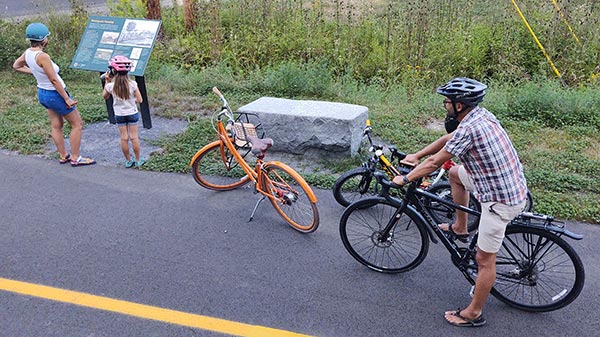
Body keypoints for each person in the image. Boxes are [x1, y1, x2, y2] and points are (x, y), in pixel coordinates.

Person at [393, 77, 528, 327]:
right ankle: (461, 227)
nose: (444, 105)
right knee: (455, 173)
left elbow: (434, 164)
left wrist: (405, 178)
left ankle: (473, 313)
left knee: (484, 261)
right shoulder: (480, 116)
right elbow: (447, 142)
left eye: (447, 101)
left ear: (459, 105)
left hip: (500, 200)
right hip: (501, 183)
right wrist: (417, 155)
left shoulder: (470, 128)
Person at [13, 22, 95, 166]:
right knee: (77, 124)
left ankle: (64, 156)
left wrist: (35, 71)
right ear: (43, 39)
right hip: (55, 94)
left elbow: (16, 66)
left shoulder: (28, 53)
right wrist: (66, 98)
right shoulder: (43, 56)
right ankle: (76, 158)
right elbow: (54, 80)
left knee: (56, 125)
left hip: (43, 93)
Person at [102, 55, 145, 168]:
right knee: (134, 137)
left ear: (113, 71)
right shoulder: (133, 84)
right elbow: (140, 100)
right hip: (132, 113)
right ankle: (138, 160)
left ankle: (128, 161)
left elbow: (105, 96)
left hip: (119, 115)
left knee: (124, 138)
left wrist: (107, 81)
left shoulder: (111, 86)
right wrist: (131, 101)